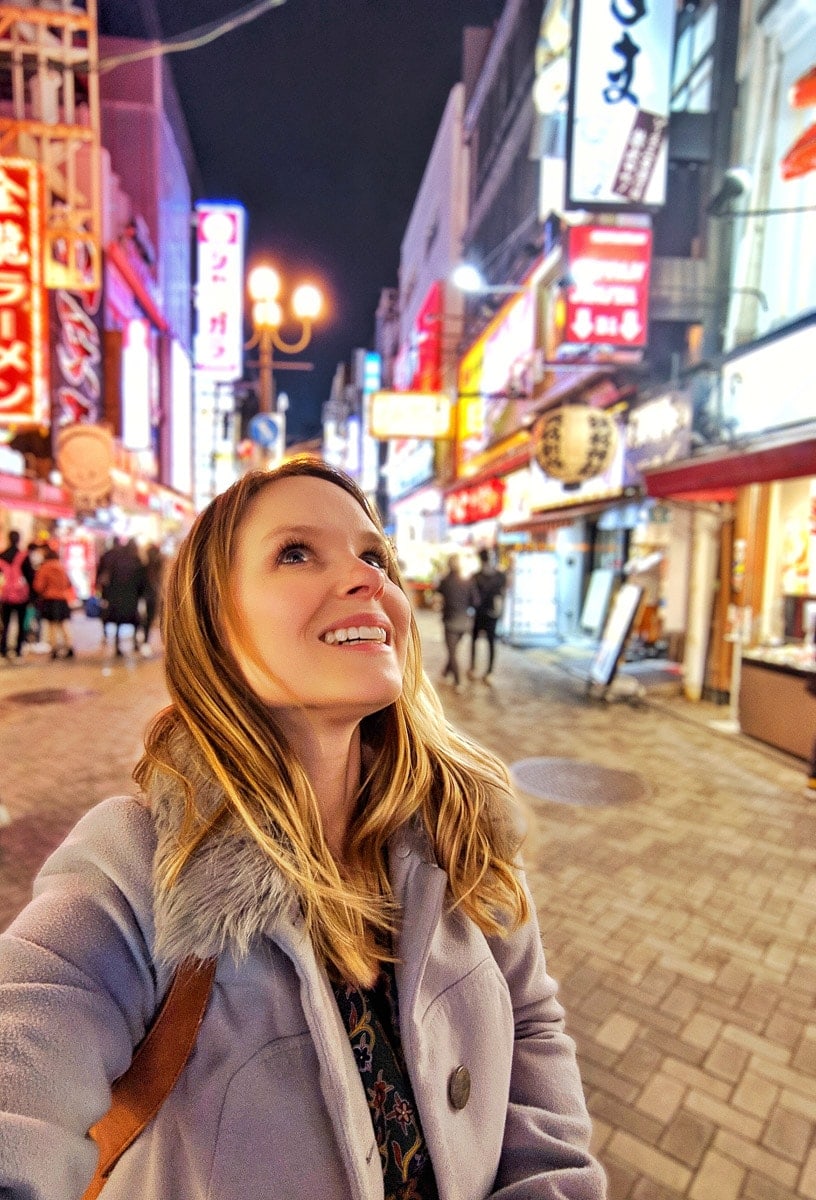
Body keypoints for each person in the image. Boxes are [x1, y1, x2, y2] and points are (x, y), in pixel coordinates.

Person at [0, 459, 606, 1200]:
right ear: (216, 623)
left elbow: (532, 1024)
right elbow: (25, 1045)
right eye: (295, 552)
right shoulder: (142, 861)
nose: (366, 579)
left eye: (374, 555)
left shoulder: (459, 822)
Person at [99, 537, 147, 656]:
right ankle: (135, 642)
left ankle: (117, 644)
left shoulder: (116, 560)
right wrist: (141, 594)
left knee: (117, 620)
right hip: (132, 595)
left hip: (116, 595)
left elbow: (109, 578)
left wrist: (107, 594)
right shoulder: (136, 561)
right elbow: (141, 581)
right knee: (134, 618)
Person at [435, 552, 476, 692]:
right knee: (453, 651)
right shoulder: (467, 581)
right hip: (465, 622)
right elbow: (475, 601)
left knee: (452, 653)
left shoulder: (445, 581)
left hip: (450, 622)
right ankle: (445, 673)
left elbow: (437, 596)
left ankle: (458, 681)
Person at [468, 547, 508, 685]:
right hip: (492, 614)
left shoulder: (476, 576)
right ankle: (489, 672)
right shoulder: (500, 576)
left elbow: (472, 597)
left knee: (475, 641)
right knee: (491, 643)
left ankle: (474, 668)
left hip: (479, 613)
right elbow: (503, 594)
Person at [32, 546, 75, 659]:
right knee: (63, 623)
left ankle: (54, 649)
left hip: (49, 599)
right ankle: (69, 646)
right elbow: (68, 583)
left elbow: (38, 586)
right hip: (62, 598)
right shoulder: (61, 567)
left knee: (51, 625)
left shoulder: (44, 568)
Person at [0, 530, 35, 660]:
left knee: (6, 623)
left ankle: (3, 649)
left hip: (6, 595)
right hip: (21, 595)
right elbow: (30, 576)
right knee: (21, 624)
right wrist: (33, 595)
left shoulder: (2, 555)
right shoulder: (23, 556)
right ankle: (18, 650)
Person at [138, 542, 166, 656]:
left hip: (148, 597)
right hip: (157, 596)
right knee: (158, 621)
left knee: (147, 620)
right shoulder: (160, 566)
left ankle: (145, 643)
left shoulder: (143, 567)